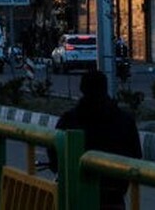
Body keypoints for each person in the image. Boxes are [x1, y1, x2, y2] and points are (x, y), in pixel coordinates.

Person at [55, 69, 142, 210]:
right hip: (115, 196)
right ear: (105, 87)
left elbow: (55, 153)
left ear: (82, 88)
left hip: (77, 195)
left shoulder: (70, 120)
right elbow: (136, 155)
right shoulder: (125, 120)